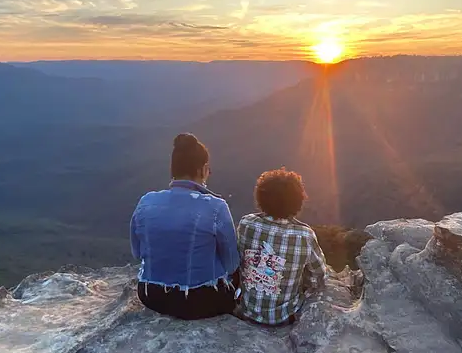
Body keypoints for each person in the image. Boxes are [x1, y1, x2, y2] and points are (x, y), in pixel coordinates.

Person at [130, 133, 241, 320]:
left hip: (150, 295)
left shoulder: (146, 201)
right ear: (203, 169)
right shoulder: (216, 207)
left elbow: (137, 253)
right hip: (201, 301)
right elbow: (231, 264)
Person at [236, 168, 326, 327]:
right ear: (297, 202)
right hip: (285, 317)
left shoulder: (246, 224)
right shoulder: (305, 235)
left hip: (247, 311)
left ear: (261, 197)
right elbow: (318, 275)